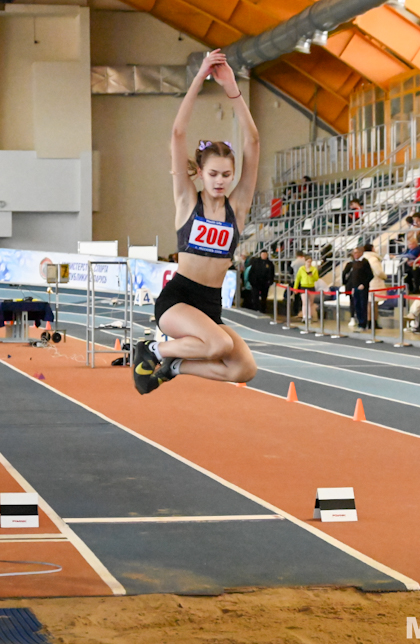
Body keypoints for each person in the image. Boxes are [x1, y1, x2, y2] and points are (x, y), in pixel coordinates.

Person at [131, 50, 259, 394]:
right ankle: (153, 349)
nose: (220, 180)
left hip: (210, 303)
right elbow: (177, 133)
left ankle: (174, 366)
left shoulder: (238, 208)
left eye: (227, 174)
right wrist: (200, 77)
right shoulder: (189, 200)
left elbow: (253, 142)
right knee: (218, 346)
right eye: (213, 173)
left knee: (243, 367)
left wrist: (232, 90)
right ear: (200, 173)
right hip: (178, 300)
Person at [342, 246, 374, 329]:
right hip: (354, 287)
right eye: (354, 253)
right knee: (357, 305)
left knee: (363, 305)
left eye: (356, 253)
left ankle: (363, 323)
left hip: (362, 288)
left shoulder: (364, 262)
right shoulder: (353, 263)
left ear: (361, 253)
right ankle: (359, 321)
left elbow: (370, 275)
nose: (355, 254)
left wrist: (363, 284)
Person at [247, 250, 275, 314]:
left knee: (264, 297)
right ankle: (255, 308)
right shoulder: (256, 262)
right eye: (263, 254)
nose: (264, 256)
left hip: (265, 283)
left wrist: (270, 281)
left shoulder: (269, 263)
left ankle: (263, 309)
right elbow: (251, 272)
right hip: (256, 283)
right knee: (255, 296)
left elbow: (272, 273)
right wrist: (251, 281)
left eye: (265, 254)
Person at [294, 255, 321, 322]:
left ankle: (309, 316)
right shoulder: (301, 269)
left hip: (311, 287)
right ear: (305, 261)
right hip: (304, 286)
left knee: (310, 303)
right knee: (305, 302)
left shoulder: (314, 269)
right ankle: (304, 316)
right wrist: (295, 288)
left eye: (310, 262)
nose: (309, 263)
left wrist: (312, 276)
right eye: (308, 261)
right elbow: (297, 279)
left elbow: (316, 278)